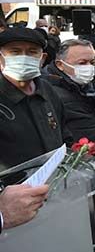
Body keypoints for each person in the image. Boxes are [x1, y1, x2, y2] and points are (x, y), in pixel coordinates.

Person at [0, 28, 72, 171]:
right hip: (14, 183)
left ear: (42, 59)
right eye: (15, 52)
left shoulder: (48, 90)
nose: (24, 57)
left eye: (32, 52)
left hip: (54, 178)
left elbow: (64, 132)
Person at [42, 39, 95, 144]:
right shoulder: (50, 92)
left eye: (92, 62)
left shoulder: (87, 85)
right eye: (82, 63)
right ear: (60, 65)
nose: (89, 67)